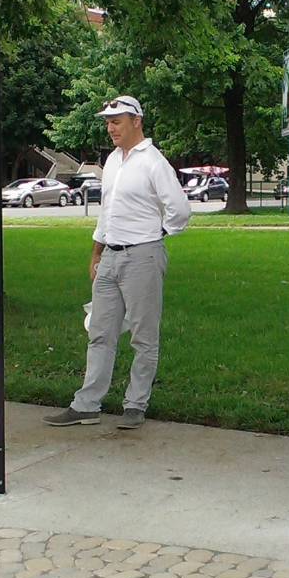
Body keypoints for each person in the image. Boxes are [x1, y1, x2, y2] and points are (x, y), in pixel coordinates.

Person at [44, 95, 191, 430]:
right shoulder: (112, 161)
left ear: (136, 121)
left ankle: (135, 405)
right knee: (100, 332)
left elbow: (180, 211)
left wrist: (156, 233)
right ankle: (86, 405)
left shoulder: (154, 162)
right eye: (108, 122)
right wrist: (96, 252)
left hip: (142, 256)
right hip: (110, 256)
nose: (110, 128)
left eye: (117, 122)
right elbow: (105, 212)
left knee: (143, 336)